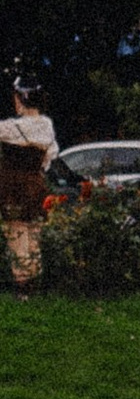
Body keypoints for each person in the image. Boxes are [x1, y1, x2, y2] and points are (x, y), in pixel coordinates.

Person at [0, 82, 57, 286]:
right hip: (36, 182)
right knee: (34, 231)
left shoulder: (13, 127)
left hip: (14, 185)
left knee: (17, 231)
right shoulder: (46, 125)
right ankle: (35, 278)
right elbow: (50, 156)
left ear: (21, 100)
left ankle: (23, 284)